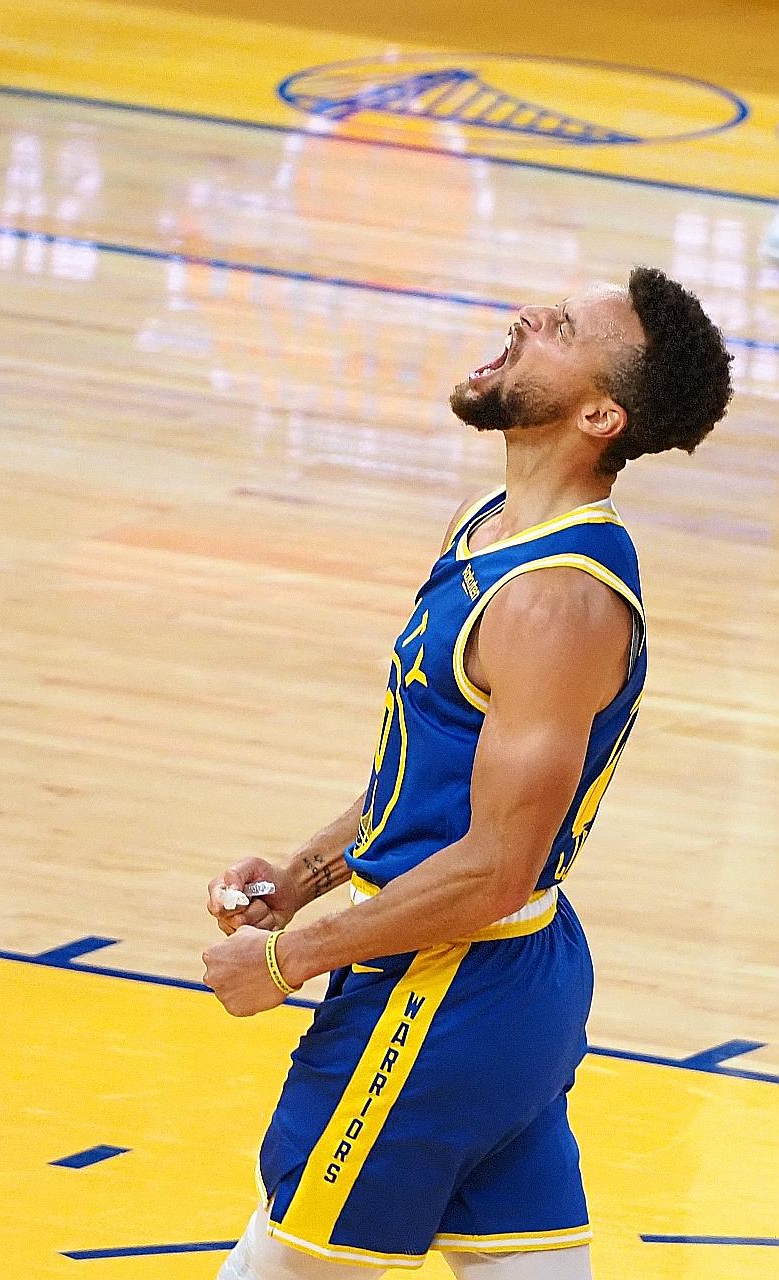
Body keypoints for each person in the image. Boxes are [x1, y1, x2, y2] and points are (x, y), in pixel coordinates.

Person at [203, 266, 733, 1280]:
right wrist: (301, 876)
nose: (530, 315)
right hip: (502, 980)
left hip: (444, 988)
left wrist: (290, 959)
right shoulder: (486, 522)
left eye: (564, 326)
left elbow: (494, 866)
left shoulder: (554, 604)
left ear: (598, 415)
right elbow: (431, 776)